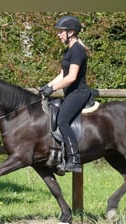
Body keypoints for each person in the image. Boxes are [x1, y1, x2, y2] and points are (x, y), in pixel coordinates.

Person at [39, 16, 91, 173]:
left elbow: (71, 77)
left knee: (62, 121)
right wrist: (47, 86)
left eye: (61, 31)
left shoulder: (78, 51)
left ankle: (74, 159)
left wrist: (53, 88)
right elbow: (63, 73)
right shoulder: (68, 50)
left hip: (78, 93)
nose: (59, 34)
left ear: (72, 32)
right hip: (70, 93)